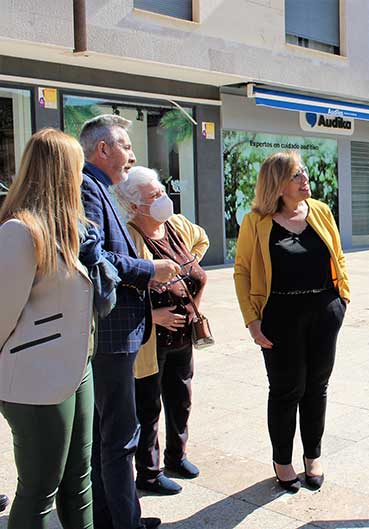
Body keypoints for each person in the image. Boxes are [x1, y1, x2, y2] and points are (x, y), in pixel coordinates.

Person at [80, 115, 180, 529]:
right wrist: (147, 269)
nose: (133, 155)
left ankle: (116, 517)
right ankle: (125, 522)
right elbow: (91, 253)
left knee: (112, 434)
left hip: (118, 332)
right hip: (111, 334)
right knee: (118, 436)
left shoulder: (102, 188)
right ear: (102, 149)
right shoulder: (88, 186)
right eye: (125, 145)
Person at [234, 151, 350, 492]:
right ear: (278, 184)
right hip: (279, 315)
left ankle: (312, 456)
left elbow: (338, 255)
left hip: (324, 310)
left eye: (305, 173)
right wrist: (251, 320)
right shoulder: (255, 222)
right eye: (297, 175)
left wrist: (342, 299)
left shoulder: (321, 211)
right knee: (287, 389)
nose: (305, 179)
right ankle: (282, 461)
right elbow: (241, 271)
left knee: (317, 386)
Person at [0, 128, 95, 529]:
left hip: (75, 371)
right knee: (40, 490)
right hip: (34, 380)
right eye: (78, 167)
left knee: (79, 482)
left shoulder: (65, 230)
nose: (83, 177)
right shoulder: (19, 232)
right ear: (60, 172)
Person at [113, 167, 209, 496]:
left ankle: (176, 456)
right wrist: (154, 315)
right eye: (154, 196)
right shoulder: (127, 237)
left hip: (182, 337)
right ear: (132, 205)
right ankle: (149, 474)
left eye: (162, 192)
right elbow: (118, 293)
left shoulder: (176, 226)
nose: (163, 199)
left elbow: (202, 240)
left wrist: (191, 281)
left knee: (181, 399)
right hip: (148, 343)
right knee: (148, 406)